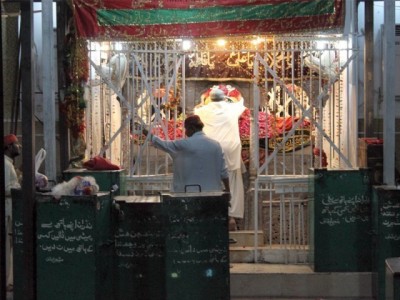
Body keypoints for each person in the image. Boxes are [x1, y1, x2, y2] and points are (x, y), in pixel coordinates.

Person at [195, 88, 246, 230]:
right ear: (224, 98)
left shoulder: (202, 111)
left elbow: (193, 111)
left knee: (211, 182)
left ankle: (214, 216)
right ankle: (231, 217)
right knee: (233, 182)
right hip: (231, 149)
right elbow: (242, 101)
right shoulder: (233, 108)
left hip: (210, 149)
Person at [143, 115, 230, 193]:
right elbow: (224, 173)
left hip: (189, 192)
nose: (185, 132)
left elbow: (161, 143)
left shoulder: (184, 145)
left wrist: (144, 131)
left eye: (186, 128)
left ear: (192, 128)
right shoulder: (216, 145)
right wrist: (228, 192)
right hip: (213, 193)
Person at [4, 134, 21, 291]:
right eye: (16, 144)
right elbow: (5, 188)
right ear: (9, 147)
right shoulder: (5, 164)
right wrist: (18, 188)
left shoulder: (9, 164)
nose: (19, 146)